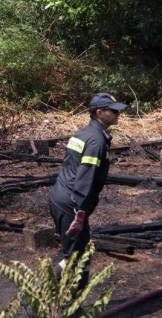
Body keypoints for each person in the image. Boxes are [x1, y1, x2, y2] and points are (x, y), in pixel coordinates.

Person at [49, 93, 127, 283]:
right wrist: (80, 212)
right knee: (75, 257)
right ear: (99, 112)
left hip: (60, 197)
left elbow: (70, 168)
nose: (118, 113)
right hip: (72, 203)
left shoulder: (83, 134)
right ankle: (35, 298)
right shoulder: (96, 141)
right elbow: (86, 178)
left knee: (77, 253)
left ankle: (72, 304)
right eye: (113, 110)